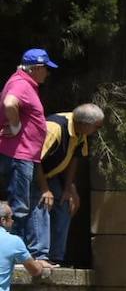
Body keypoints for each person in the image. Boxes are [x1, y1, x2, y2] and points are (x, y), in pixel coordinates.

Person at [1, 49, 56, 256]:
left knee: (28, 202)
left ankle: (27, 253)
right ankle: (15, 254)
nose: (48, 74)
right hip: (19, 155)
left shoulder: (25, 83)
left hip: (25, 155)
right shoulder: (21, 83)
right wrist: (15, 127)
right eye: (46, 69)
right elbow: (9, 103)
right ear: (37, 68)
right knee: (19, 207)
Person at [36, 102, 103, 264]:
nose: (97, 131)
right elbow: (34, 159)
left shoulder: (80, 132)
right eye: (97, 127)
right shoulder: (55, 128)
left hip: (52, 175)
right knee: (43, 204)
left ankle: (55, 257)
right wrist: (44, 189)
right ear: (85, 124)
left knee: (64, 203)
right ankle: (38, 255)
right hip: (32, 172)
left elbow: (74, 159)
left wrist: (69, 189)